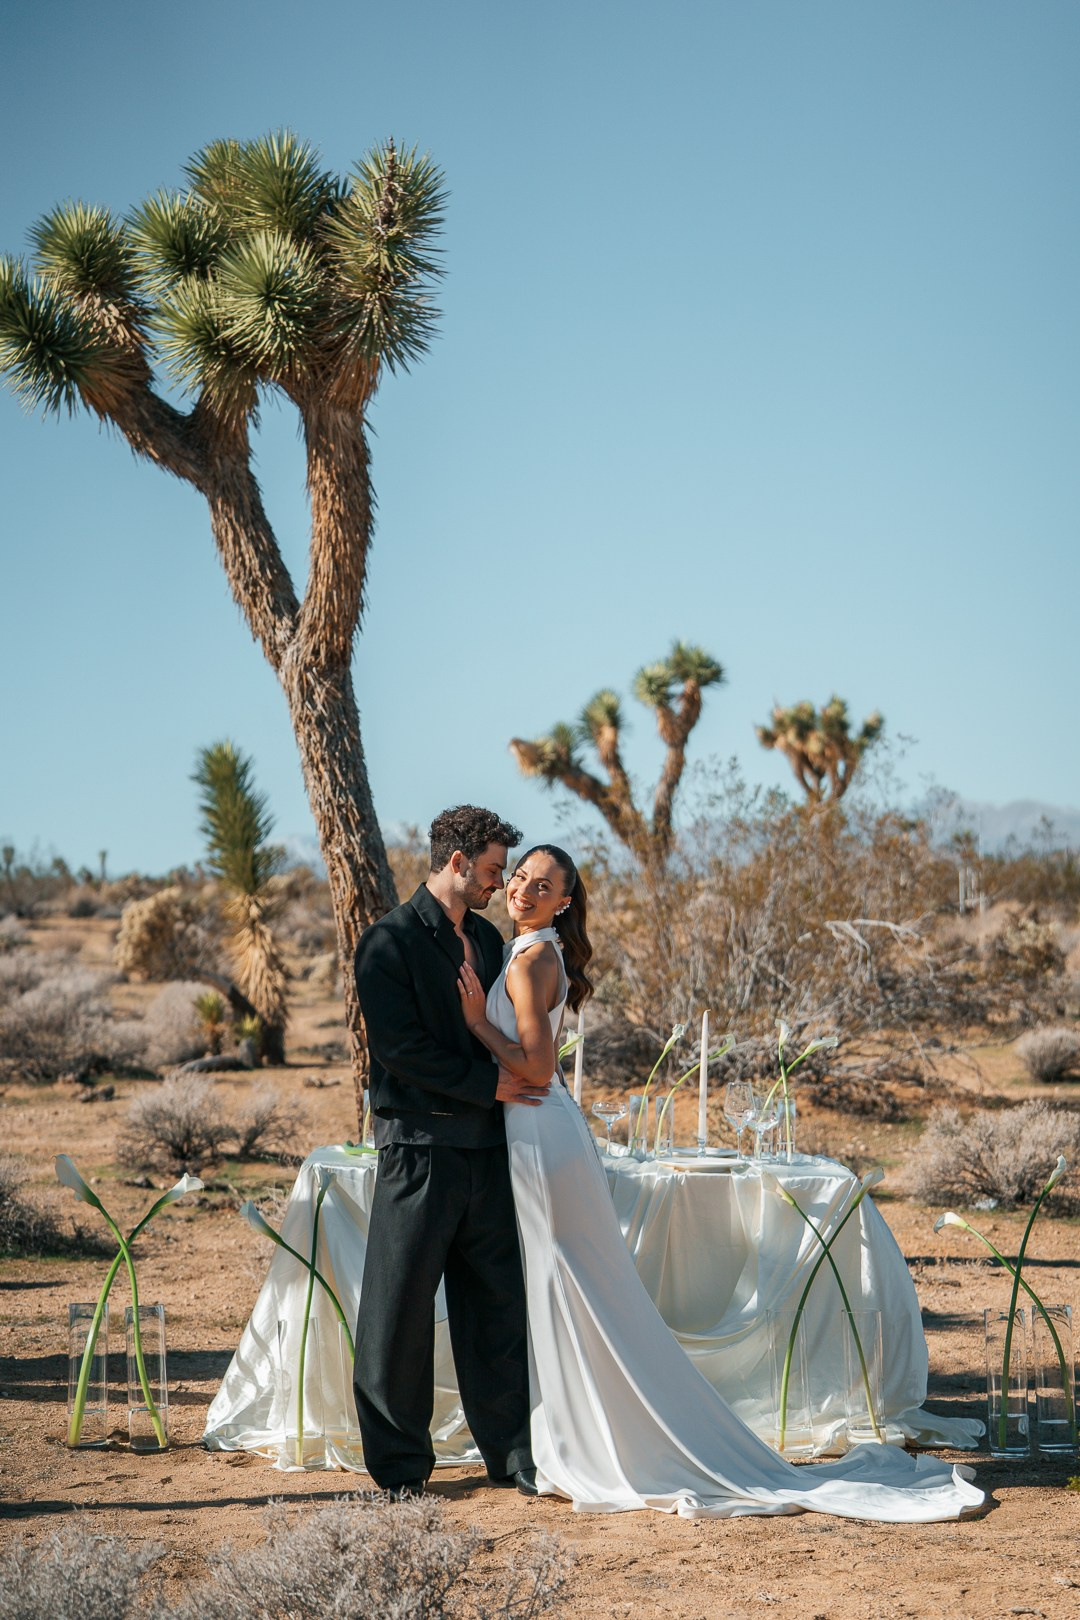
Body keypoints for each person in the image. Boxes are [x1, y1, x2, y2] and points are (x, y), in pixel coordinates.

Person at [456, 842, 985, 1522]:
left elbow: (532, 1069)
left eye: (542, 884)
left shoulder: (532, 960)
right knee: (571, 1288)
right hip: (537, 1135)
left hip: (542, 1136)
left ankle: (591, 1442)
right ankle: (575, 1434)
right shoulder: (529, 952)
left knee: (571, 1285)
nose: (523, 890)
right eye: (520, 877)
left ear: (565, 900)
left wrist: (475, 1023)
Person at [353, 805, 549, 1499]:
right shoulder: (388, 942)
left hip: (488, 1151)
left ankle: (514, 1456)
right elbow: (400, 1051)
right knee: (398, 1313)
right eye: (494, 870)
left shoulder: (493, 944)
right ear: (458, 862)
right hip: (419, 1149)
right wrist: (492, 1084)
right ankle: (401, 1471)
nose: (501, 884)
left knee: (498, 1309)